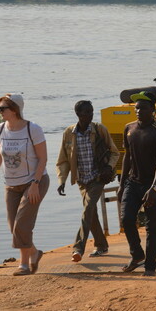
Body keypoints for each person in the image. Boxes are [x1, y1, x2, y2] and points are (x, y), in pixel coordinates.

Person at [0, 93, 49, 276]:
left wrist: (35, 183)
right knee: (13, 226)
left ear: (14, 110)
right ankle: (35, 253)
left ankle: (24, 265)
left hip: (35, 181)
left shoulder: (33, 129)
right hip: (11, 185)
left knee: (22, 224)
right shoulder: (0, 129)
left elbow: (43, 158)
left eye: (2, 109)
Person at [56, 100, 120, 261]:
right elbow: (63, 160)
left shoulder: (99, 130)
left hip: (98, 178)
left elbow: (115, 152)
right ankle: (101, 245)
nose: (90, 115)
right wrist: (62, 181)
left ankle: (78, 249)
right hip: (81, 180)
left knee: (88, 209)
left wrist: (109, 167)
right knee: (91, 213)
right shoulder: (69, 133)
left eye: (91, 112)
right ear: (78, 114)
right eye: (86, 113)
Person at [119, 91, 156, 276]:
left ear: (153, 110)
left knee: (152, 227)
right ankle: (137, 254)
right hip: (133, 182)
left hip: (153, 184)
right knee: (126, 218)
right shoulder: (129, 128)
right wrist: (123, 183)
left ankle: (150, 266)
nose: (138, 111)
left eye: (143, 108)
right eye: (136, 108)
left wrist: (154, 188)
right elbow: (127, 157)